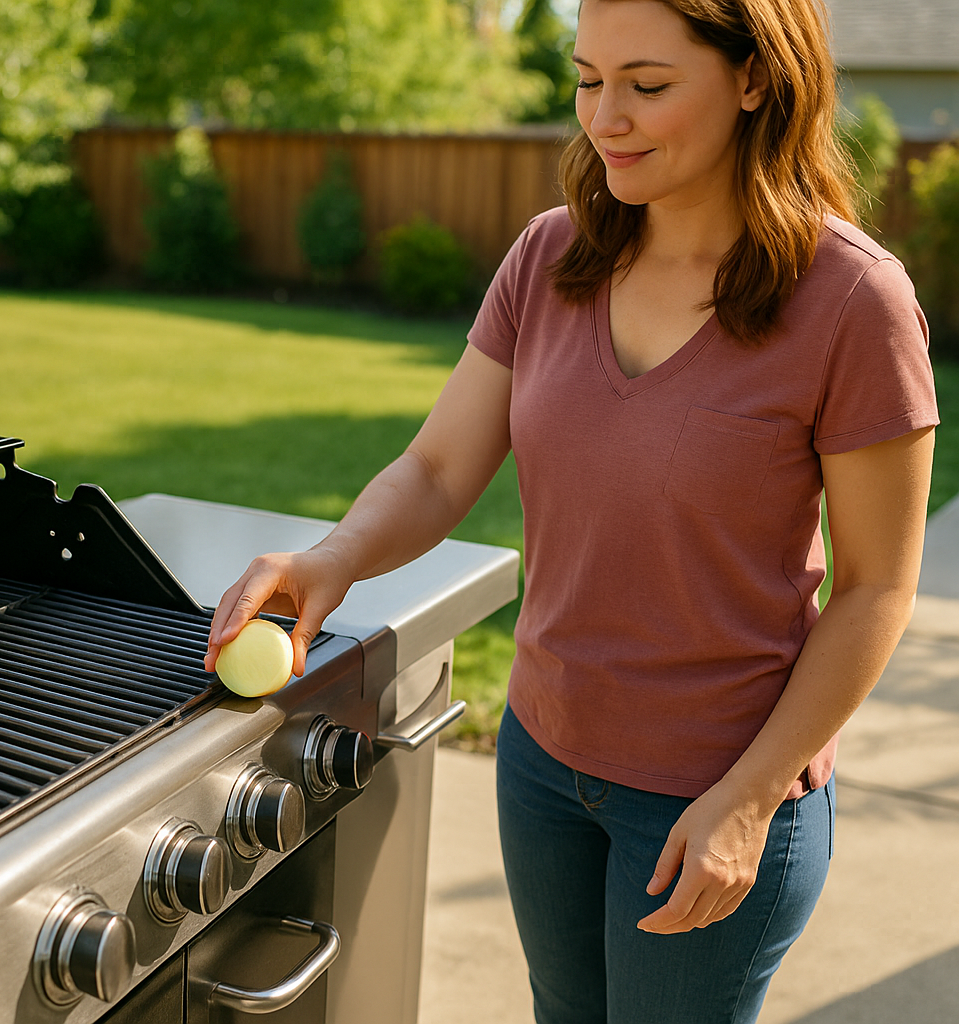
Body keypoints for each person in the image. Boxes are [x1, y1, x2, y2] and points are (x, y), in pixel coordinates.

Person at [202, 0, 938, 1020]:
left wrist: (753, 795)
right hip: (543, 762)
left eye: (647, 85)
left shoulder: (854, 299)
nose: (606, 119)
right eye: (589, 81)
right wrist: (336, 558)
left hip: (715, 789)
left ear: (756, 78)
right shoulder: (551, 256)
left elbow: (875, 588)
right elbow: (437, 467)